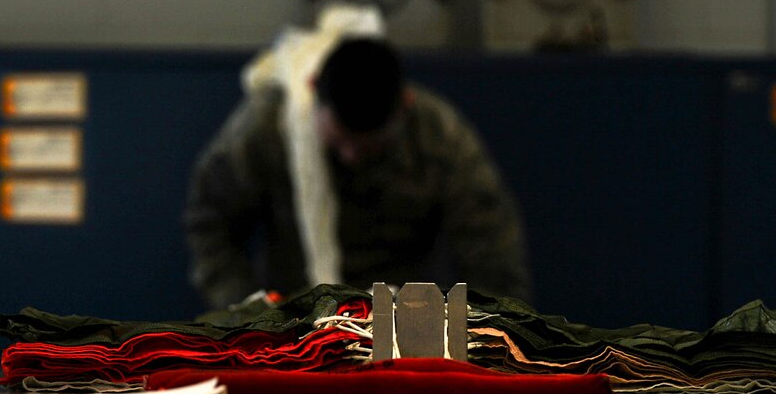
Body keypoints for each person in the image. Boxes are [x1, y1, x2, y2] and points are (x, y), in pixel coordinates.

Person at [184, 36, 532, 309]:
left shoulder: (439, 137)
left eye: (367, 148)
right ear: (311, 89)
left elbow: (492, 256)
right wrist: (248, 315)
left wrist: (488, 337)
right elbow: (210, 223)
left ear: (404, 107)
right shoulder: (266, 129)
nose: (351, 157)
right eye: (338, 143)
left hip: (401, 324)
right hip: (290, 328)